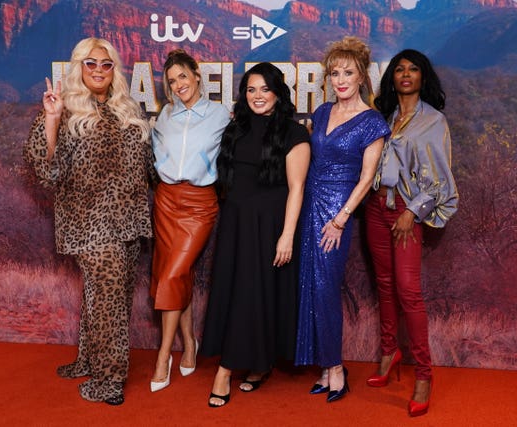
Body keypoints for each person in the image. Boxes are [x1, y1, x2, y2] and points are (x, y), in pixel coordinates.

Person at [24, 37, 153, 405]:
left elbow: (148, 165)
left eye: (106, 64)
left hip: (128, 222)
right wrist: (52, 119)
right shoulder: (64, 109)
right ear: (79, 67)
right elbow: (47, 172)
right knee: (109, 299)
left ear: (114, 70)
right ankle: (108, 380)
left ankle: (88, 359)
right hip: (89, 224)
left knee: (109, 297)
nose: (98, 70)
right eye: (91, 63)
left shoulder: (127, 109)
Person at [200, 62, 310, 407]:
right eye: (251, 89)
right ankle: (260, 365)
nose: (257, 96)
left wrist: (287, 236)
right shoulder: (236, 129)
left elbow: (297, 189)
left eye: (265, 89)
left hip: (270, 226)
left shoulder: (294, 133)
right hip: (235, 224)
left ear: (278, 93)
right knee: (239, 292)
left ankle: (224, 371)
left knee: (255, 292)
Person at [295, 36, 390, 403]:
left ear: (362, 76)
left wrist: (340, 219)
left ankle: (336, 368)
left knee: (325, 287)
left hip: (337, 212)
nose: (341, 80)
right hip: (310, 205)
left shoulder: (372, 121)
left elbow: (366, 179)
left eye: (348, 72)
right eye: (335, 73)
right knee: (308, 285)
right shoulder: (322, 112)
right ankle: (323, 367)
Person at [366, 49, 458, 417]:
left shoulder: (433, 121)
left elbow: (439, 177)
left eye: (413, 69)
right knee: (384, 284)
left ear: (423, 77)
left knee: (408, 291)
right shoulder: (384, 117)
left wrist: (412, 211)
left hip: (406, 212)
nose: (406, 74)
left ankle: (423, 375)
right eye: (399, 69)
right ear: (391, 78)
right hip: (375, 209)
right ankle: (389, 352)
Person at [149, 49, 230, 392]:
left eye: (182, 76)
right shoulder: (166, 115)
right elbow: (154, 153)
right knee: (175, 275)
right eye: (171, 81)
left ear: (197, 74)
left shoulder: (220, 114)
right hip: (166, 200)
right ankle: (190, 342)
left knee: (173, 274)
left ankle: (163, 355)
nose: (178, 84)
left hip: (199, 204)